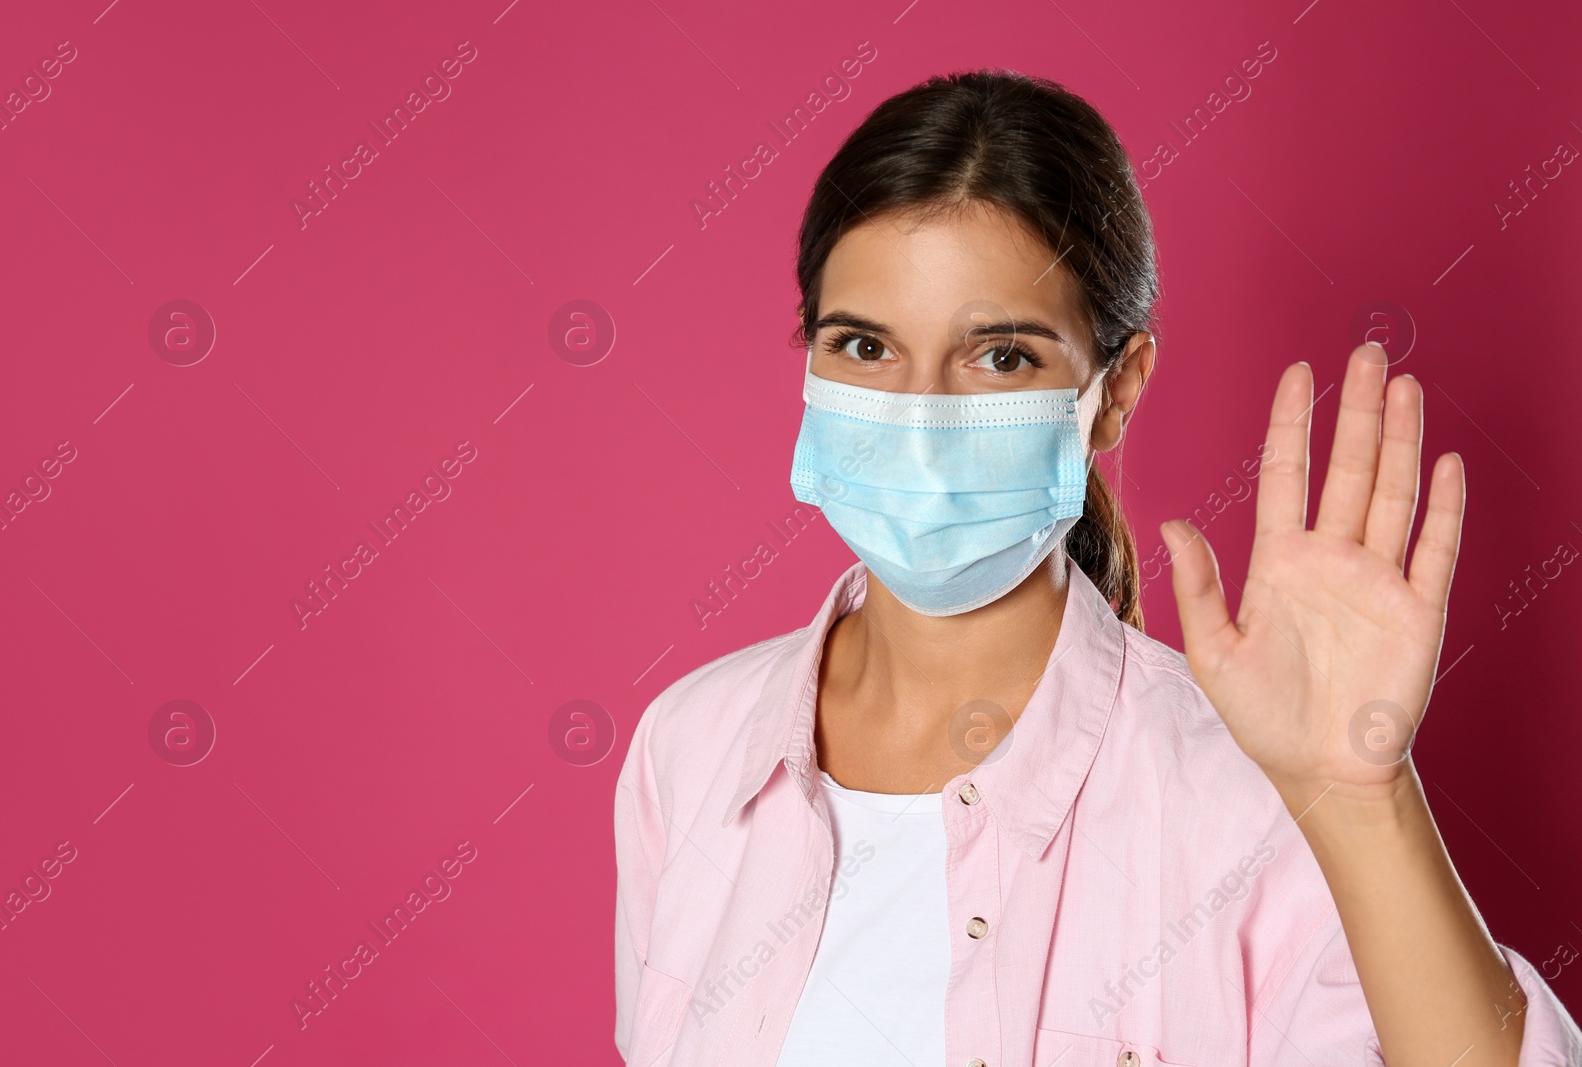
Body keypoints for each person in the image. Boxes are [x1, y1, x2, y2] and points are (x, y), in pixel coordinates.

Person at [613, 69, 1582, 1067]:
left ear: (1115, 390)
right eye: (863, 344)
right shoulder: (686, 749)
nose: (918, 418)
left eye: (1000, 357)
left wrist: (1360, 796)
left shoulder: (1250, 794)